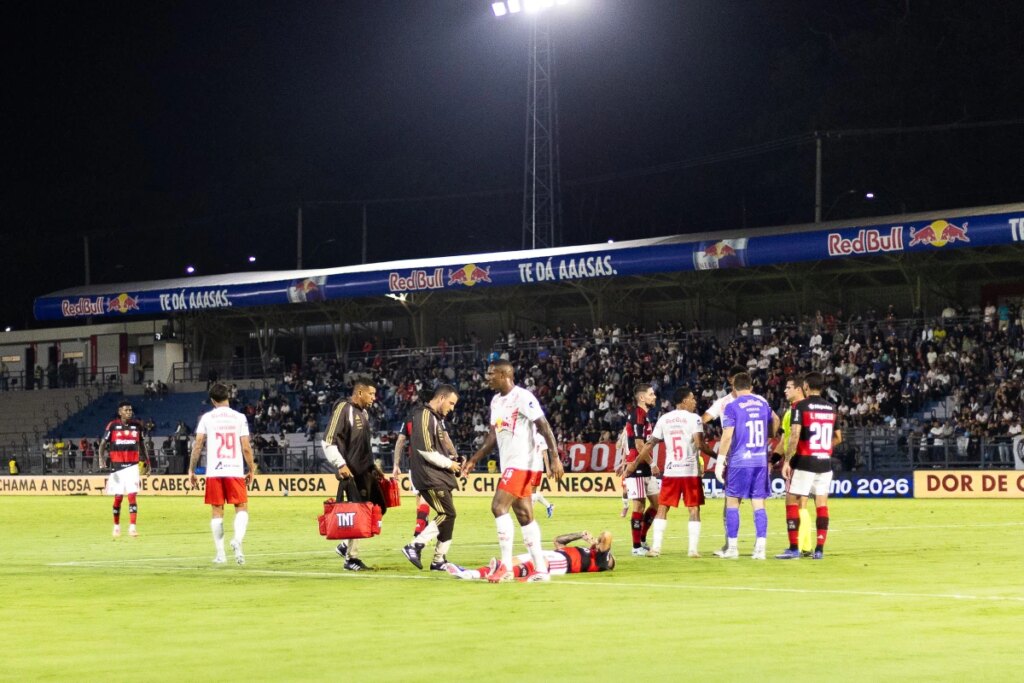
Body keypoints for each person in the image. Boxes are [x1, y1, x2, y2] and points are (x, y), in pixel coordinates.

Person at [461, 360, 565, 583]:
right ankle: (540, 569)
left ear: (503, 374)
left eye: (490, 374)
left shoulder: (523, 397)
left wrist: (555, 458)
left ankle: (506, 567)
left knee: (498, 506)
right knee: (524, 515)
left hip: (523, 463)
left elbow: (544, 427)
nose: (487, 378)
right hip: (510, 464)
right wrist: (473, 460)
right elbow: (492, 437)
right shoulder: (496, 401)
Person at [627, 387, 712, 558]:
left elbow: (650, 443)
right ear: (684, 401)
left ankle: (655, 548)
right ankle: (692, 550)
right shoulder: (694, 419)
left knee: (662, 508)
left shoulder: (664, 419)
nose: (695, 401)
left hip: (671, 471)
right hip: (689, 471)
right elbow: (700, 444)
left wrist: (634, 463)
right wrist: (719, 456)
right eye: (693, 398)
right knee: (693, 509)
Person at [322, 378, 389, 571]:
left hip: (365, 470)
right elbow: (327, 440)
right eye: (371, 394)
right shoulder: (344, 408)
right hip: (352, 472)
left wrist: (373, 465)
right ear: (360, 392)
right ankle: (351, 559)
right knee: (360, 514)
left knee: (379, 507)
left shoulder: (363, 413)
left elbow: (363, 445)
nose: (374, 398)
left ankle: (345, 545)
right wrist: (340, 464)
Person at [188, 382, 256, 565]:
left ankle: (221, 555)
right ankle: (237, 541)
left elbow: (198, 444)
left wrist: (191, 470)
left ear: (212, 400)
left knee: (217, 511)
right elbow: (246, 447)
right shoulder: (239, 417)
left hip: (214, 471)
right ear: (228, 396)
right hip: (234, 469)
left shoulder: (206, 418)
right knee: (241, 507)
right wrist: (251, 468)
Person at [776, 371, 841, 560]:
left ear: (805, 386)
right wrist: (822, 449)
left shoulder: (800, 406)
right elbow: (838, 438)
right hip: (825, 463)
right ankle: (819, 549)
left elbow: (795, 435)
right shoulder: (831, 408)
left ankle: (794, 547)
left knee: (792, 500)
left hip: (805, 461)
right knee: (821, 504)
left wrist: (787, 460)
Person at [713, 373, 778, 559]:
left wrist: (719, 462)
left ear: (734, 388)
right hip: (760, 461)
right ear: (751, 386)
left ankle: (732, 548)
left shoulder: (732, 406)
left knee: (732, 503)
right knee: (759, 504)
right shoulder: (763, 404)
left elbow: (726, 436)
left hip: (740, 462)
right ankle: (760, 549)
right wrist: (769, 435)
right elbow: (774, 422)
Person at [401, 385, 463, 571]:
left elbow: (436, 449)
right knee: (447, 514)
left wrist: (453, 459)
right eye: (451, 403)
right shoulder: (424, 416)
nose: (451, 408)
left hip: (438, 475)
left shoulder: (433, 418)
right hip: (429, 476)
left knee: (448, 517)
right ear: (441, 398)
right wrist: (449, 464)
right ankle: (415, 545)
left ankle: (439, 560)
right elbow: (426, 450)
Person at [703, 365, 747, 557]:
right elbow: (704, 418)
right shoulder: (723, 403)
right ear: (730, 380)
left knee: (753, 501)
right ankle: (731, 544)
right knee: (732, 501)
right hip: (738, 456)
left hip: (740, 455)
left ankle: (738, 547)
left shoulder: (750, 400)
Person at [451, 530, 615, 580]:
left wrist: (594, 542)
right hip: (554, 553)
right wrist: (580, 535)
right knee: (512, 560)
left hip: (562, 563)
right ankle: (471, 573)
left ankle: (507, 575)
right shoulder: (589, 551)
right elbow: (558, 539)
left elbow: (606, 535)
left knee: (539, 563)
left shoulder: (600, 561)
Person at [617, 383, 661, 556]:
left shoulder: (644, 415)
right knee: (639, 505)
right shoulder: (638, 414)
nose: (654, 396)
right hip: (637, 466)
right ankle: (636, 547)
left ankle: (642, 539)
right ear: (642, 397)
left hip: (641, 464)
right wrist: (652, 463)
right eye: (651, 394)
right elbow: (639, 444)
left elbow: (628, 439)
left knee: (657, 504)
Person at [99, 401, 152, 538]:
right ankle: (116, 526)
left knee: (132, 496)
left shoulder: (137, 426)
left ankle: (132, 527)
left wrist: (147, 462)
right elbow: (103, 444)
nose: (129, 412)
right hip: (117, 468)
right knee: (118, 498)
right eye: (126, 410)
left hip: (132, 466)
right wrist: (101, 458)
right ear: (120, 412)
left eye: (130, 410)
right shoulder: (113, 425)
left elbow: (142, 445)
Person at [392, 409, 431, 540]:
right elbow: (445, 438)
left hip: (413, 463)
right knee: (427, 495)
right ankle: (419, 530)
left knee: (419, 496)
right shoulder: (434, 416)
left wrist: (396, 464)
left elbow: (401, 440)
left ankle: (422, 525)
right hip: (430, 462)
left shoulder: (409, 417)